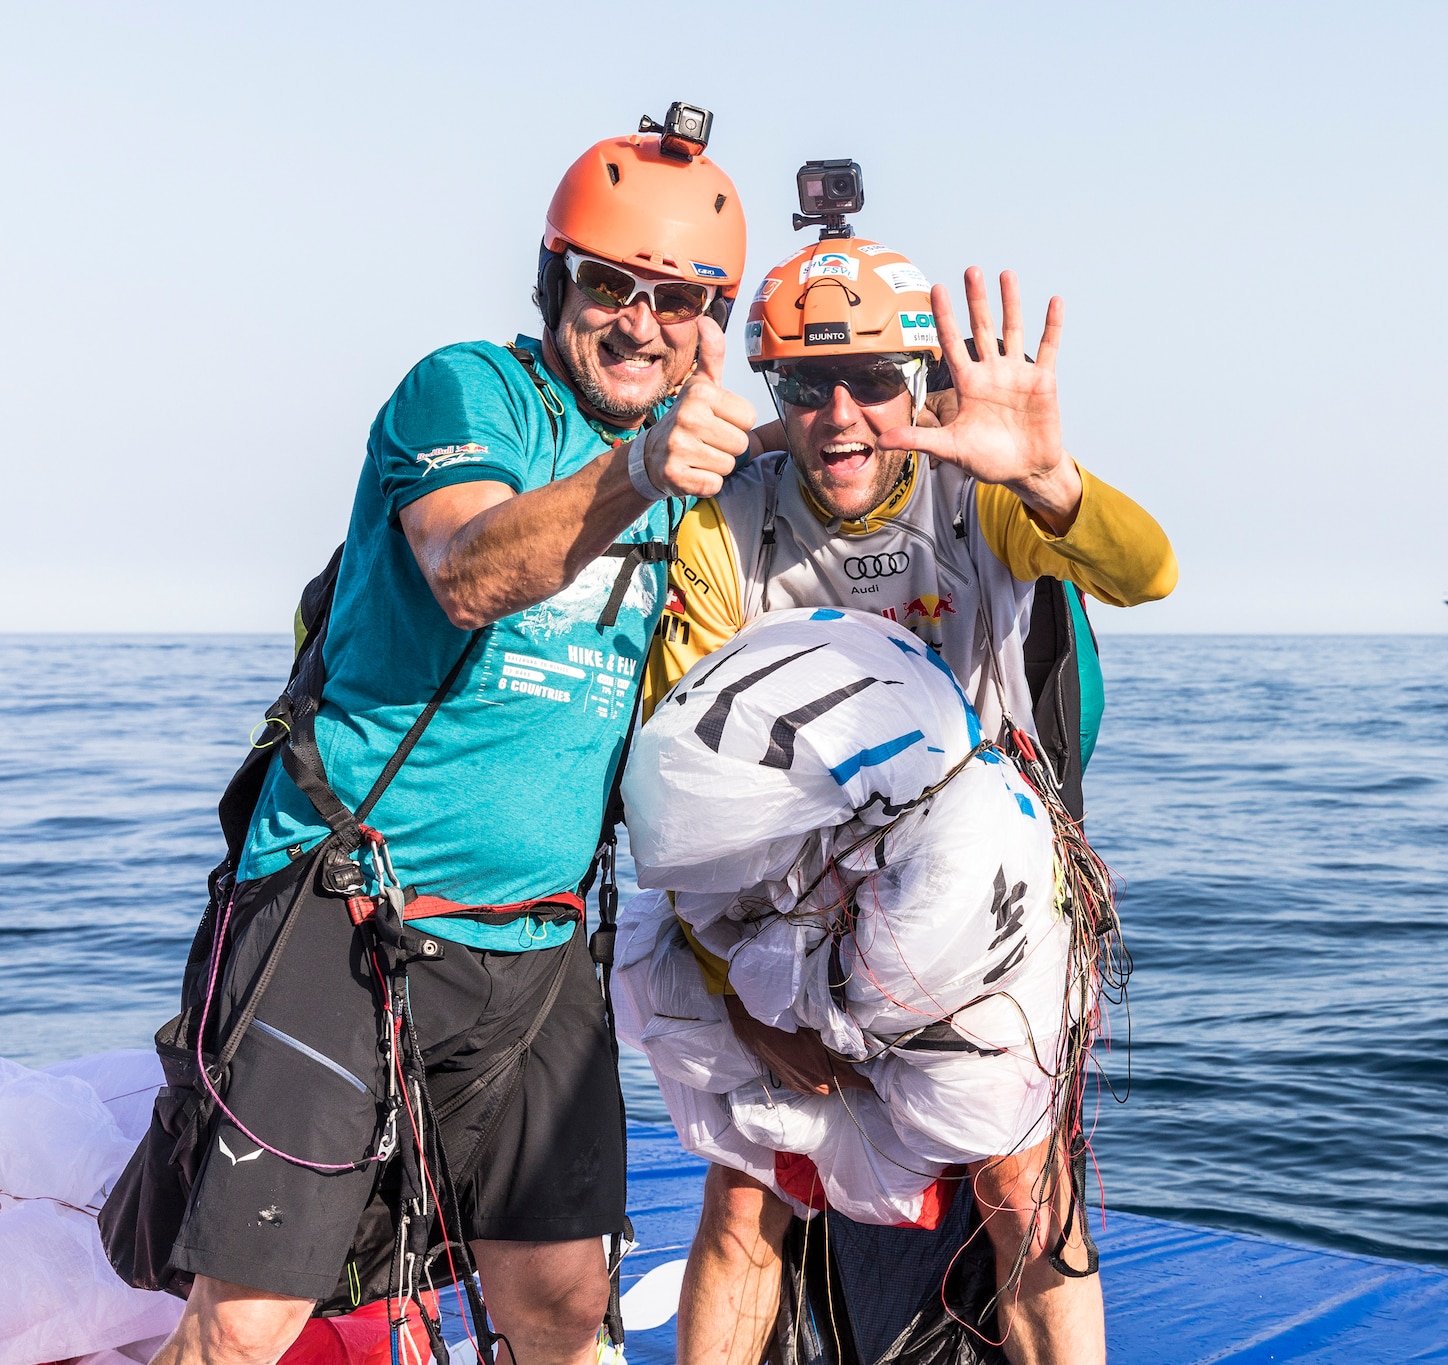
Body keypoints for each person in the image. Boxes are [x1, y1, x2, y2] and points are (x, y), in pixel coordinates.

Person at [147, 118, 757, 1365]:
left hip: (537, 945)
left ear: (714, 320)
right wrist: (640, 468)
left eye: (680, 300)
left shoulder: (695, 480)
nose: (641, 324)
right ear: (555, 282)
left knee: (564, 1309)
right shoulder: (470, 391)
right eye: (610, 287)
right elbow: (469, 570)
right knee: (250, 1318)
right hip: (348, 915)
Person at [645, 234, 1177, 1365]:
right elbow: (679, 805)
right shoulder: (723, 525)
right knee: (747, 1192)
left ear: (920, 385)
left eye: (874, 383)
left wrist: (1042, 475)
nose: (839, 416)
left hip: (980, 887)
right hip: (788, 893)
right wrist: (739, 1010)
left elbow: (1146, 573)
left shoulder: (974, 494)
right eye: (803, 386)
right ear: (773, 394)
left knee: (1023, 1189)